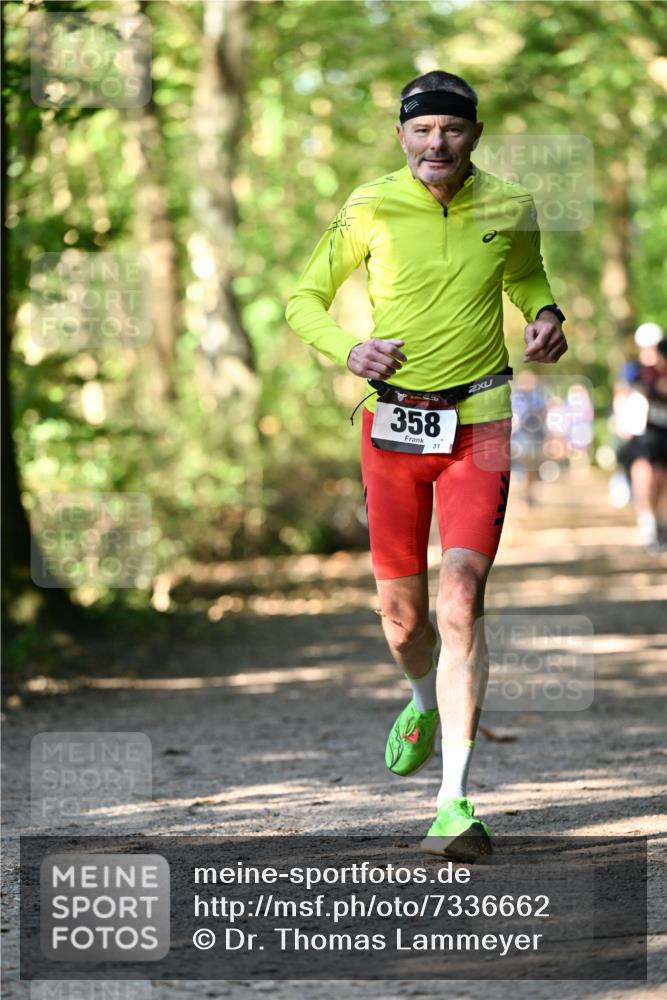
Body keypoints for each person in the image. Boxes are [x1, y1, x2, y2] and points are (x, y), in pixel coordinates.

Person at [285, 70, 567, 861]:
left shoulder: (510, 204)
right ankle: (419, 698)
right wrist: (350, 348)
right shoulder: (368, 205)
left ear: (474, 134)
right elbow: (301, 297)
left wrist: (545, 315)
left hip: (478, 421)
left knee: (458, 601)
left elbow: (524, 273)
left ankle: (453, 802)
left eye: (450, 129)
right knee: (404, 622)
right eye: (420, 130)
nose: (434, 144)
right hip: (392, 427)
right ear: (400, 136)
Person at [616, 324, 667, 549]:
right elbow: (622, 393)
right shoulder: (633, 370)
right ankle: (647, 520)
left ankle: (660, 521)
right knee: (643, 473)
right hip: (640, 432)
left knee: (661, 478)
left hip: (662, 431)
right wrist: (621, 420)